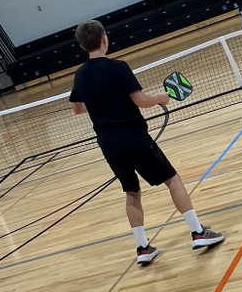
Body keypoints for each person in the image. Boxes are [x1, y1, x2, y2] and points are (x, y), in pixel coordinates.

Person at [69, 21, 225, 266]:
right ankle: (197, 232)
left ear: (81, 46)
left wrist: (103, 103)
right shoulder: (118, 67)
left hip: (108, 145)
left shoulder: (80, 75)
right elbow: (140, 100)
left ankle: (143, 248)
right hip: (133, 137)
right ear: (104, 39)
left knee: (132, 193)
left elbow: (78, 108)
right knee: (172, 180)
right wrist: (160, 98)